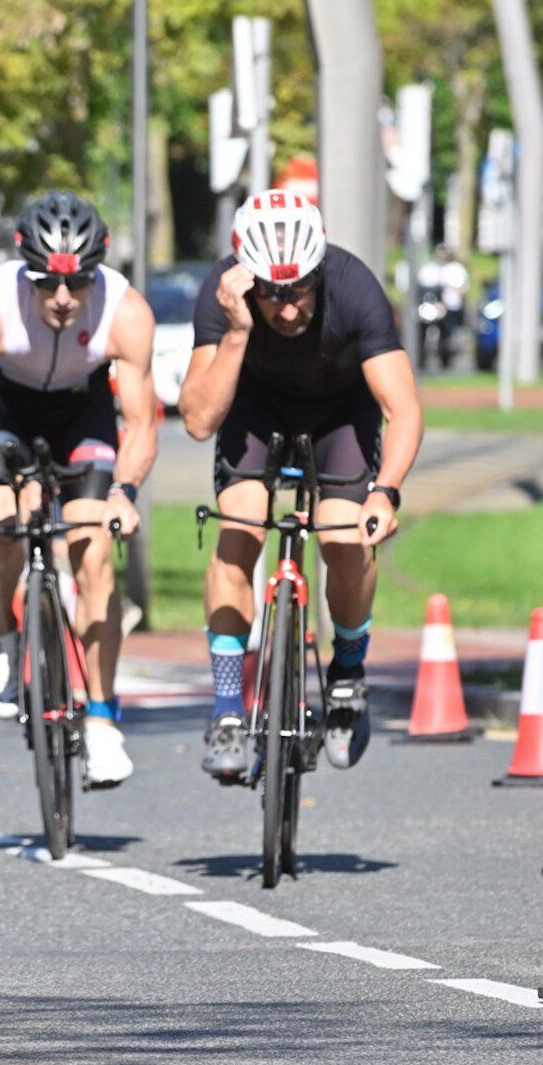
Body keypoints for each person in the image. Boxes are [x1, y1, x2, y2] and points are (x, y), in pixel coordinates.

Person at [178, 190, 423, 779]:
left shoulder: (355, 286)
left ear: (318, 272)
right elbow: (198, 419)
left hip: (341, 411)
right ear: (245, 279)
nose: (287, 310)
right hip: (255, 409)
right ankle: (230, 710)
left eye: (300, 291)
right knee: (238, 528)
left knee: (346, 538)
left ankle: (347, 674)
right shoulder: (222, 294)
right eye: (270, 293)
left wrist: (384, 493)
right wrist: (237, 333)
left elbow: (405, 408)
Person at [0, 192, 158, 786]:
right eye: (46, 284)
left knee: (93, 547)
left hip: (83, 413)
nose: (60, 299)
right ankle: (1, 631)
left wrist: (125, 492)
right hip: (7, 410)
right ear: (24, 270)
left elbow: (143, 423)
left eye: (77, 285)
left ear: (94, 275)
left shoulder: (124, 311)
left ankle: (101, 719)